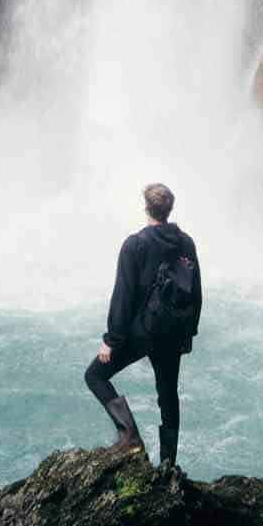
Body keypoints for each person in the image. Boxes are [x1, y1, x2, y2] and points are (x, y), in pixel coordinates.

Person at [85, 182, 201, 467]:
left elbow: (123, 296)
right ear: (169, 209)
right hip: (173, 332)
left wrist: (112, 340)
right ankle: (168, 464)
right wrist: (189, 333)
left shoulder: (135, 244)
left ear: (146, 208)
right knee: (168, 395)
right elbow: (196, 291)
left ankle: (130, 438)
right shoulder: (186, 242)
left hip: (142, 332)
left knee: (95, 376)